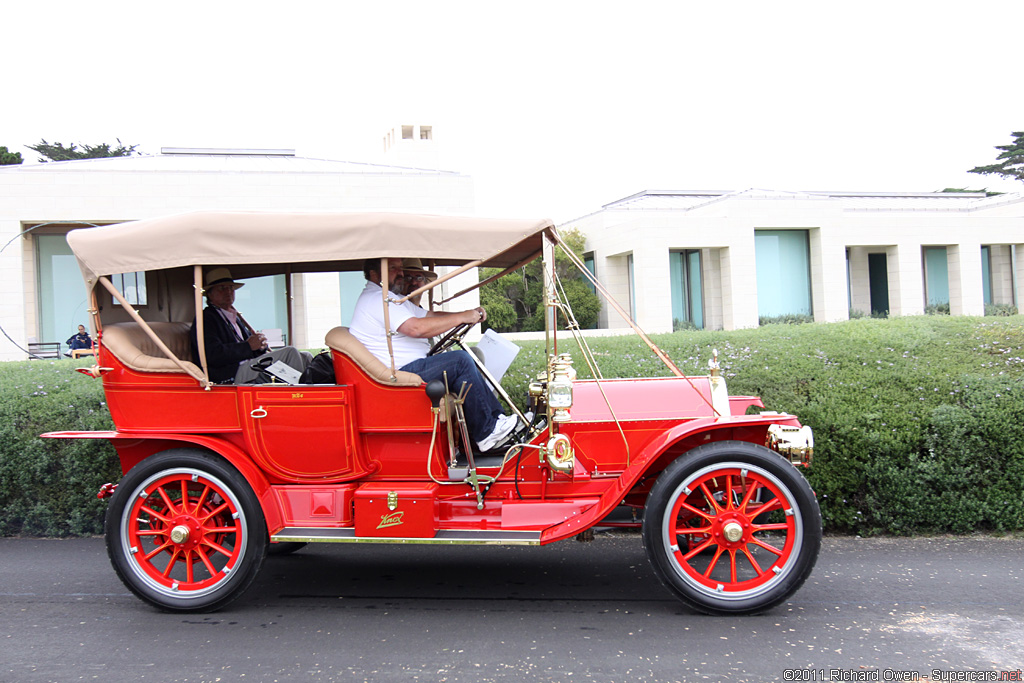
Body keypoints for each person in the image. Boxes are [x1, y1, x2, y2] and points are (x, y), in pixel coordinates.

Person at [349, 257, 518, 452]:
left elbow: (427, 316)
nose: (401, 274)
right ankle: (487, 432)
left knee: (462, 360)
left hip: (409, 368)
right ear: (374, 274)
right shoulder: (376, 299)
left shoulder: (390, 299)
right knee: (460, 362)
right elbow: (416, 328)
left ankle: (496, 423)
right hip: (397, 376)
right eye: (393, 269)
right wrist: (462, 317)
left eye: (399, 268)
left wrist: (465, 313)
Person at [190, 267, 312, 384]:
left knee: (306, 356)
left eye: (231, 288)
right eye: (222, 288)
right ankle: (300, 394)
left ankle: (317, 391)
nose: (228, 292)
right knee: (290, 352)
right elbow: (212, 355)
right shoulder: (206, 319)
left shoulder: (234, 316)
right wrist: (248, 346)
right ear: (210, 294)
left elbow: (250, 347)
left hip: (249, 365)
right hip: (230, 372)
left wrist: (260, 346)